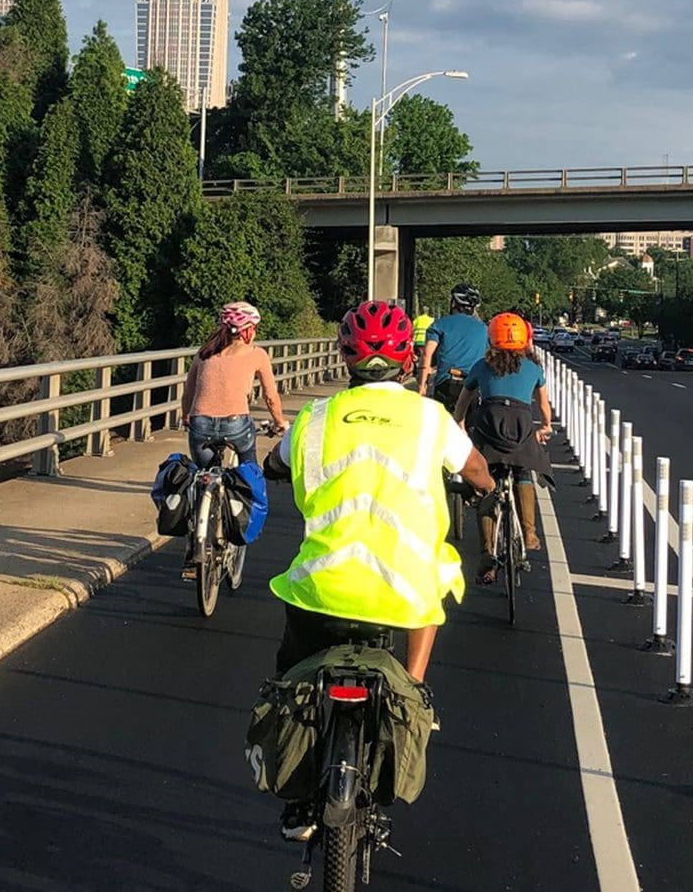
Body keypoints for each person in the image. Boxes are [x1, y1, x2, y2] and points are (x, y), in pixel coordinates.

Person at [263, 300, 494, 840]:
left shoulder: (315, 418)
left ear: (344, 355)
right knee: (435, 574)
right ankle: (413, 689)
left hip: (321, 588)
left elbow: (276, 461)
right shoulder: (428, 417)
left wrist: (278, 466)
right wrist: (483, 487)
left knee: (288, 681)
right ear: (407, 359)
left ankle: (298, 800)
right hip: (400, 592)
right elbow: (476, 469)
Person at [177, 302, 288, 580]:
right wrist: (279, 423)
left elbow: (188, 393)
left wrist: (186, 417)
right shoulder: (256, 354)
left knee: (202, 478)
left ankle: (196, 540)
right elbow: (270, 397)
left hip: (200, 424)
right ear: (248, 330)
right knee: (249, 477)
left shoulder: (204, 353)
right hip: (237, 424)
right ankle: (241, 526)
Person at [451, 312, 554, 584]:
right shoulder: (534, 369)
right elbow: (544, 406)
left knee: (487, 484)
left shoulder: (481, 366)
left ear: (492, 339)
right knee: (522, 472)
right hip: (520, 425)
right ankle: (530, 532)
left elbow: (463, 401)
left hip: (489, 425)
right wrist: (545, 426)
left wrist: (459, 424)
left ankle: (487, 555)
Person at [417, 282, 487, 410]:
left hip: (447, 382)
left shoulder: (440, 324)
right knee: (470, 425)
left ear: (454, 302)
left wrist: (422, 385)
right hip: (473, 384)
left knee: (443, 425)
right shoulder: (483, 328)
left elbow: (427, 354)